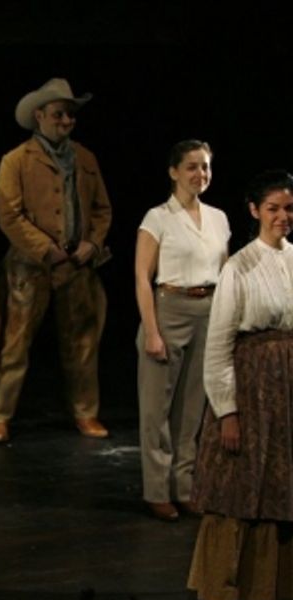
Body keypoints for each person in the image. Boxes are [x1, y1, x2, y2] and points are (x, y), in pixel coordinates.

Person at [0, 78, 113, 444]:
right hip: (30, 267)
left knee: (81, 342)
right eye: (59, 114)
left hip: (77, 266)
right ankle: (0, 415)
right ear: (39, 116)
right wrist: (45, 249)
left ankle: (86, 413)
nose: (67, 121)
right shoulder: (16, 161)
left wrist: (93, 244)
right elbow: (9, 215)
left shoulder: (85, 158)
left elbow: (101, 209)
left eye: (70, 116)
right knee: (14, 343)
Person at [188, 169, 293, 600]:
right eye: (273, 209)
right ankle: (227, 591)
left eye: (288, 208)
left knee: (277, 490)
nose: (283, 217)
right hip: (251, 386)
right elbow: (218, 344)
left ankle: (266, 594)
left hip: (285, 387)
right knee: (241, 488)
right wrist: (227, 410)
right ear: (254, 212)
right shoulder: (239, 267)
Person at [135, 140, 230, 521]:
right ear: (174, 172)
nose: (199, 174)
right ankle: (157, 490)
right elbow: (142, 277)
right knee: (157, 408)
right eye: (191, 166)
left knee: (193, 409)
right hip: (169, 307)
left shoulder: (219, 218)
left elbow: (226, 272)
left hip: (209, 308)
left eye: (205, 167)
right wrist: (152, 330)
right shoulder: (157, 218)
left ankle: (185, 486)